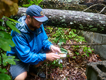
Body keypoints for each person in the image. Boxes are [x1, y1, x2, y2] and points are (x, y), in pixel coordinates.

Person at [7, 5, 61, 80]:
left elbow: (44, 40)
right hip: (19, 57)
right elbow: (25, 56)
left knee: (51, 50)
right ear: (29, 18)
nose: (41, 23)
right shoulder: (18, 33)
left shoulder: (37, 25)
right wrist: (45, 56)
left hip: (33, 50)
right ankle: (26, 67)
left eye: (42, 20)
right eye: (38, 20)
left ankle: (33, 67)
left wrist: (51, 46)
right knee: (19, 78)